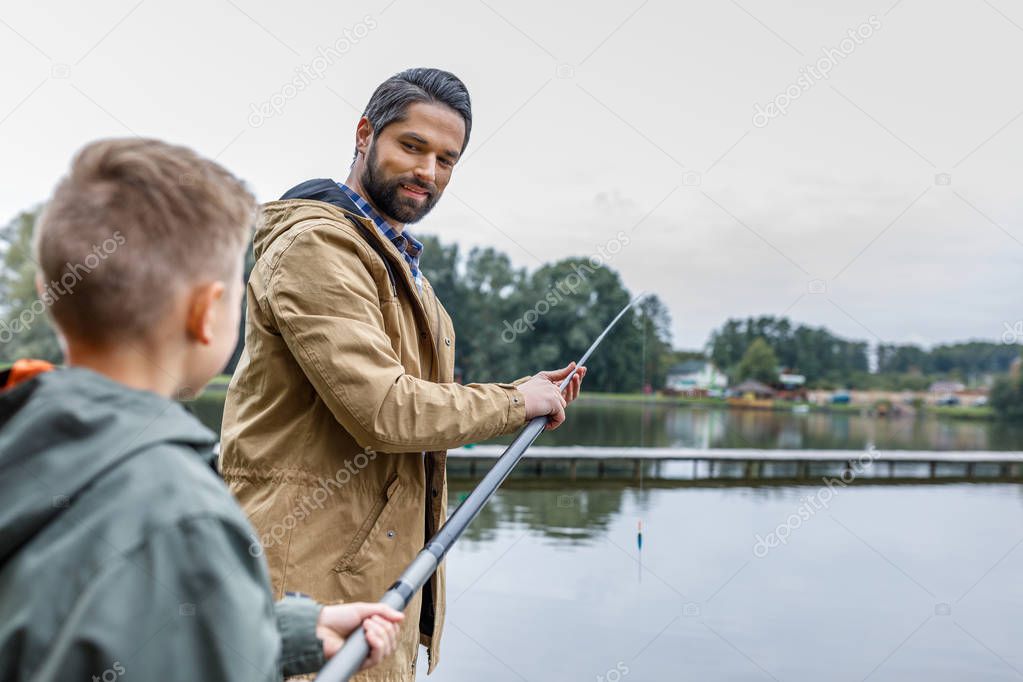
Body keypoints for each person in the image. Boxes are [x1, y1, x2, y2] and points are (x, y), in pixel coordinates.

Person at [220, 67, 585, 680]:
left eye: (447, 159)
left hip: (370, 591)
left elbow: (422, 402)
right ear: (365, 134)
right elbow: (387, 411)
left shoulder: (398, 263)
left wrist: (530, 394)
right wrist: (514, 403)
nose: (429, 173)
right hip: (302, 587)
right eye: (412, 147)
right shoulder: (317, 248)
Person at [0, 138, 404, 681]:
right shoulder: (181, 518)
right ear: (205, 312)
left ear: (49, 290)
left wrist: (279, 633)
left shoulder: (23, 443)